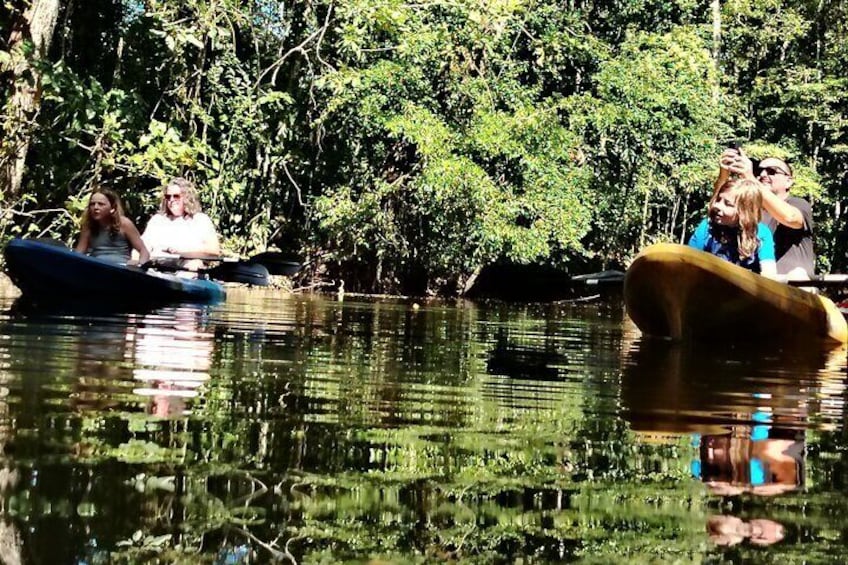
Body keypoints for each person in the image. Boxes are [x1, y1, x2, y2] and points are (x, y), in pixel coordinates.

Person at [716, 148, 814, 279]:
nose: (762, 174)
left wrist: (750, 177)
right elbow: (717, 212)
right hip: (756, 286)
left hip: (797, 287)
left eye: (772, 171)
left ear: (789, 181)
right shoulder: (749, 210)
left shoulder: (799, 204)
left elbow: (790, 218)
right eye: (758, 170)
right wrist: (724, 175)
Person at [688, 178, 777, 277]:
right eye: (718, 199)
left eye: (728, 204)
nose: (717, 206)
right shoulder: (707, 227)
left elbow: (769, 274)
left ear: (745, 211)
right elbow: (689, 262)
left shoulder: (761, 233)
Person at [141, 177, 220, 270]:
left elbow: (214, 250)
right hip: (157, 270)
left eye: (176, 196)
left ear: (186, 197)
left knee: (193, 264)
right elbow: (141, 247)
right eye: (168, 196)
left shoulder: (200, 220)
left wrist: (181, 251)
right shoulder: (157, 220)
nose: (171, 199)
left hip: (188, 271)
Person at [74, 188, 149, 265]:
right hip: (97, 267)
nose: (95, 207)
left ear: (112, 208)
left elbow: (144, 251)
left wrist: (139, 264)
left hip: (120, 268)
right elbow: (79, 253)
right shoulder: (88, 226)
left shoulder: (124, 224)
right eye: (92, 204)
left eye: (101, 204)